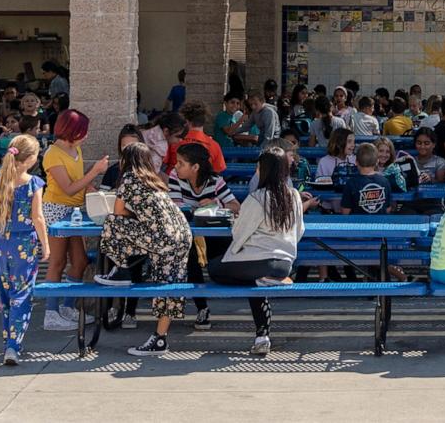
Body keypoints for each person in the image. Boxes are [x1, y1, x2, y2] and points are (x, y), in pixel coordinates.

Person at [94, 142, 193, 357]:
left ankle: (121, 269)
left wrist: (133, 216)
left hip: (161, 237)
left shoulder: (130, 178)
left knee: (112, 223)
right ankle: (160, 339)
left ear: (126, 161)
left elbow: (118, 212)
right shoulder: (154, 180)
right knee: (168, 285)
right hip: (182, 236)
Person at [206, 147, 305, 356]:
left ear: (264, 170)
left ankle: (260, 282)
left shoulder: (257, 197)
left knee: (214, 269)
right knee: (255, 281)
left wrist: (235, 247)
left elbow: (239, 232)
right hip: (284, 263)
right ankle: (262, 335)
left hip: (260, 261)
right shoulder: (294, 195)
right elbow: (299, 231)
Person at [41, 109, 110, 332]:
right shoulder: (52, 154)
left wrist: (93, 189)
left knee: (80, 262)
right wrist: (95, 172)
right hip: (55, 210)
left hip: (75, 211)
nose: (86, 136)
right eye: (83, 131)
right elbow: (69, 189)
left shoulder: (76, 148)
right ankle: (51, 314)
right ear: (72, 131)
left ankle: (67, 307)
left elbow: (77, 183)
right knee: (58, 262)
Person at [0, 134, 49, 365]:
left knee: (6, 293)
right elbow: (38, 217)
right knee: (22, 293)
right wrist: (45, 244)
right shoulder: (34, 183)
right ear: (30, 158)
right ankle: (13, 344)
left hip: (1, 241)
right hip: (25, 243)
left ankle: (8, 341)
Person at [168, 141, 239, 330]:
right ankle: (202, 308)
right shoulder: (175, 177)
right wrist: (196, 208)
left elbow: (235, 206)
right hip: (187, 234)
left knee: (217, 256)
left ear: (195, 167)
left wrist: (215, 203)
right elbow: (174, 207)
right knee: (189, 255)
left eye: (181, 163)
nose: (176, 166)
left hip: (213, 235)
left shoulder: (215, 181)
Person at [163, 101, 227, 174]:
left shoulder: (173, 141)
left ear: (186, 121)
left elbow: (162, 165)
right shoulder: (214, 146)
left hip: (172, 182)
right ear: (204, 121)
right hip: (201, 184)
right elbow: (218, 171)